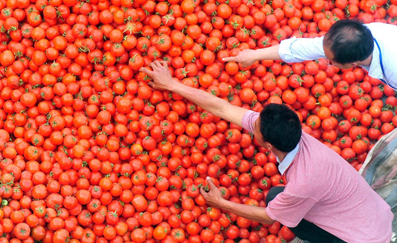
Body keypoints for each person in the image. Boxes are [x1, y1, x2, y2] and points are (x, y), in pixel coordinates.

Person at [140, 60, 394, 243]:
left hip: (365, 238)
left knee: (276, 203)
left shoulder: (303, 183)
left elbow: (267, 218)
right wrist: (172, 85)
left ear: (267, 145)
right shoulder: (293, 134)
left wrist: (219, 203)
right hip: (369, 214)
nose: (253, 125)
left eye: (256, 129)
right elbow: (222, 108)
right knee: (275, 195)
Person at [223, 19, 397, 90]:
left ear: (351, 65)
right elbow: (302, 48)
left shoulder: (392, 70)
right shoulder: (361, 35)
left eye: (330, 61)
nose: (326, 59)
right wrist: (254, 55)